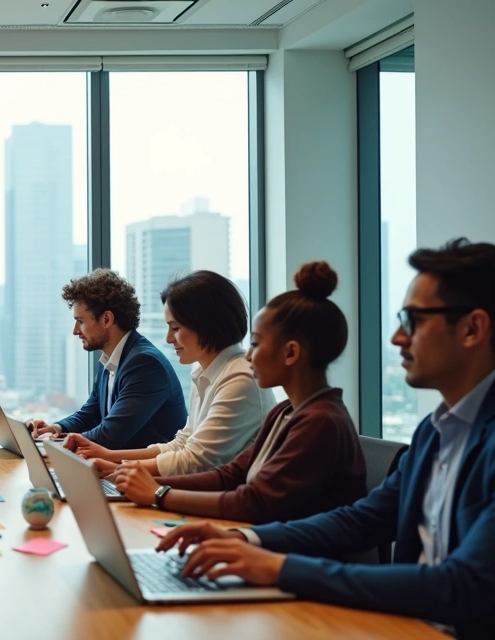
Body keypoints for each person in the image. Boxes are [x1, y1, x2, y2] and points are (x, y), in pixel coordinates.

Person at [156, 240, 495, 639]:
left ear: (472, 329)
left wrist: (278, 567)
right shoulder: (435, 432)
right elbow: (363, 519)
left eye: (413, 320)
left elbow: (462, 585)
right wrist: (244, 539)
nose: (397, 339)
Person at [114, 262, 365, 524]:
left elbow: (253, 502)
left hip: (297, 556)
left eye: (256, 343)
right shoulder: (286, 412)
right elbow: (229, 475)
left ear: (290, 353)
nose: (249, 354)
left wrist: (158, 493)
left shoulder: (321, 421)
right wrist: (143, 483)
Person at [74, 271, 275, 479]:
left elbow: (196, 460)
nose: (169, 339)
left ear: (206, 325)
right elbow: (182, 443)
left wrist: (116, 467)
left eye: (175, 328)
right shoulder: (205, 373)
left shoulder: (240, 379)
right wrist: (110, 456)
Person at [29, 269, 187, 450]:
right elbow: (91, 412)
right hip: (120, 468)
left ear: (106, 319)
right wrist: (56, 428)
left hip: (150, 475)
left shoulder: (145, 364)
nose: (75, 331)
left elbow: (109, 435)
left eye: (81, 321)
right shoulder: (109, 359)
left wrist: (52, 443)